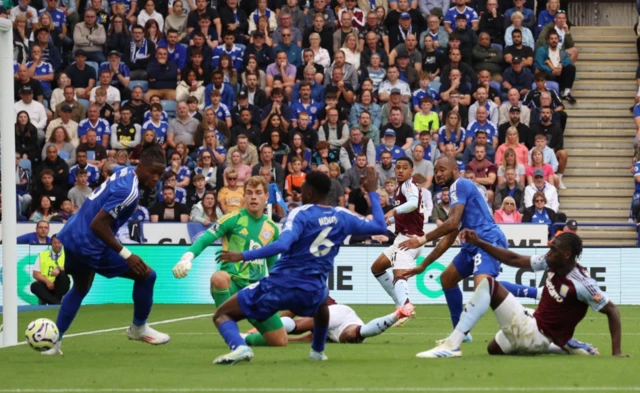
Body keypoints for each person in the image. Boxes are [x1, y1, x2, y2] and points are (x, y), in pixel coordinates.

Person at [210, 168, 388, 364]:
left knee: (223, 314)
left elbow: (283, 244)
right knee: (322, 303)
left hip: (280, 287)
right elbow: (380, 226)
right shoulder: (342, 215)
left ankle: (240, 347)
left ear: (309, 192)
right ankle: (317, 351)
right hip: (312, 291)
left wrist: (243, 255)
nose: (300, 193)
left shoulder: (300, 214)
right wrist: (372, 191)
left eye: (302, 189)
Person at [414, 230, 624, 358]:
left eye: (554, 249)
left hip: (534, 334)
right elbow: (514, 259)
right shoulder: (552, 261)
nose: (549, 251)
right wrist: (480, 243)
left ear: (567, 255)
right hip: (537, 329)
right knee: (493, 349)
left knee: (488, 283)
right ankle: (562, 346)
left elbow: (612, 310)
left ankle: (452, 346)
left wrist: (616, 353)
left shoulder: (582, 283)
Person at [398, 156, 541, 342]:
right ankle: (461, 333)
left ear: (455, 170)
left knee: (484, 287)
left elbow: (452, 223)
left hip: (488, 240)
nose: (439, 174)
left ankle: (537, 293)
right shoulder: (457, 195)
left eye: (443, 170)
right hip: (471, 245)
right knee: (447, 279)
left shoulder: (460, 184)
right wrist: (423, 265)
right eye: (436, 170)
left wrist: (422, 239)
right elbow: (448, 238)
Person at [42, 147, 170, 355]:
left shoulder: (125, 171)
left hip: (72, 234)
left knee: (81, 287)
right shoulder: (129, 191)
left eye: (160, 174)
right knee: (147, 275)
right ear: (141, 166)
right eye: (153, 172)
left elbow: (111, 166)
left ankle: (54, 343)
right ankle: (138, 328)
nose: (156, 178)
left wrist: (105, 164)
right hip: (90, 242)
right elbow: (98, 225)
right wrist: (127, 255)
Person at [174, 175, 288, 348]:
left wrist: (273, 292)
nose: (253, 197)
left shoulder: (272, 229)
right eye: (249, 193)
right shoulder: (232, 219)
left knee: (279, 341)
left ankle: (243, 338)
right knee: (219, 277)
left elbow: (272, 265)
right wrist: (187, 258)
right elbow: (205, 239)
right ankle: (230, 332)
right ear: (244, 197)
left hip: (255, 290)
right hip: (233, 285)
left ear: (266, 196)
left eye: (258, 193)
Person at [370, 157, 422, 321]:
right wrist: (390, 220)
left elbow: (413, 204)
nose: (400, 170)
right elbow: (408, 213)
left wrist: (393, 211)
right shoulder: (402, 188)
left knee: (399, 276)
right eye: (397, 167)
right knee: (377, 268)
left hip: (409, 239)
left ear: (411, 170)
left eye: (404, 168)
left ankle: (405, 308)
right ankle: (400, 304)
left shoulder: (408, 186)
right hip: (403, 237)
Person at [244, 296, 414, 345]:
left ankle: (246, 337)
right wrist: (286, 338)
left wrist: (267, 329)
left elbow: (292, 314)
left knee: (297, 326)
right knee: (355, 336)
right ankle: (396, 315)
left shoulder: (311, 294)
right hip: (342, 323)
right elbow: (309, 338)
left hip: (337, 313)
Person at [30, 235, 70, 305]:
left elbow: (72, 268)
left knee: (63, 276)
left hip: (61, 285)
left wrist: (59, 269)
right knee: (34, 286)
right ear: (51, 243)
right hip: (46, 285)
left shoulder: (68, 255)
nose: (57, 245)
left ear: (62, 243)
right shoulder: (43, 255)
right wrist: (47, 282)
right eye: (55, 243)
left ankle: (54, 302)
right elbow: (35, 273)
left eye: (59, 243)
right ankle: (57, 303)